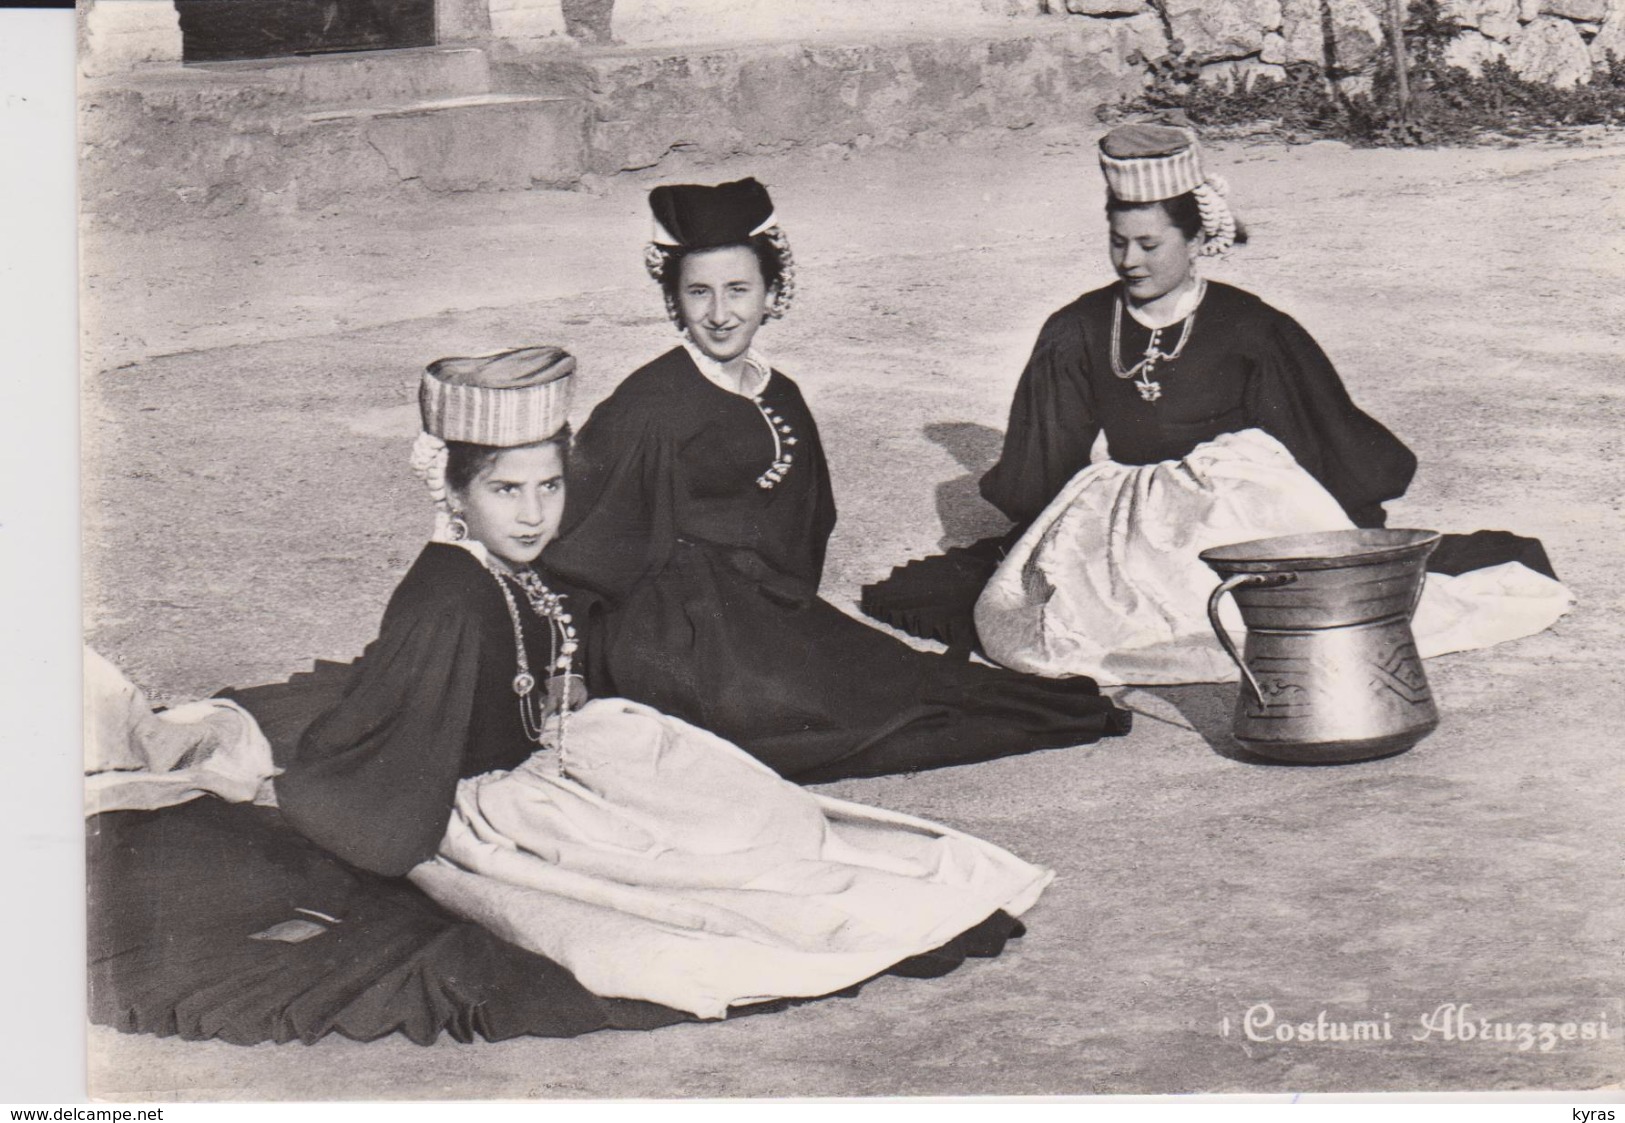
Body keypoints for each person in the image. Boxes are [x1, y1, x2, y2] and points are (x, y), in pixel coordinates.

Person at [86, 346, 1057, 1046]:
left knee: (745, 815)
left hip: (550, 763)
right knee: (668, 896)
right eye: (507, 491)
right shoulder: (445, 596)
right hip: (474, 807)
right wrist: (303, 794)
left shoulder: (520, 574)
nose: (535, 511)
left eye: (550, 488)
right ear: (455, 493)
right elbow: (404, 753)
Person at [862, 122, 1572, 684]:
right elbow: (1044, 457)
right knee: (1096, 619)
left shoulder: (1250, 327)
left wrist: (1343, 521)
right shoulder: (1077, 329)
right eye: (1117, 243)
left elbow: (1318, 434)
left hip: (1235, 507)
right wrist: (1040, 539)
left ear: (1196, 238)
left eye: (1148, 243)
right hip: (1129, 508)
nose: (1129, 261)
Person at [541, 177, 1133, 783]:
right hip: (669, 628)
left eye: (739, 289)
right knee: (807, 721)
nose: (720, 314)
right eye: (699, 292)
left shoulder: (779, 391)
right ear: (675, 299)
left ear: (773, 292)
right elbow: (582, 538)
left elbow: (806, 521)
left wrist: (780, 606)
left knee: (891, 685)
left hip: (757, 608)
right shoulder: (648, 406)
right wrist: (569, 662)